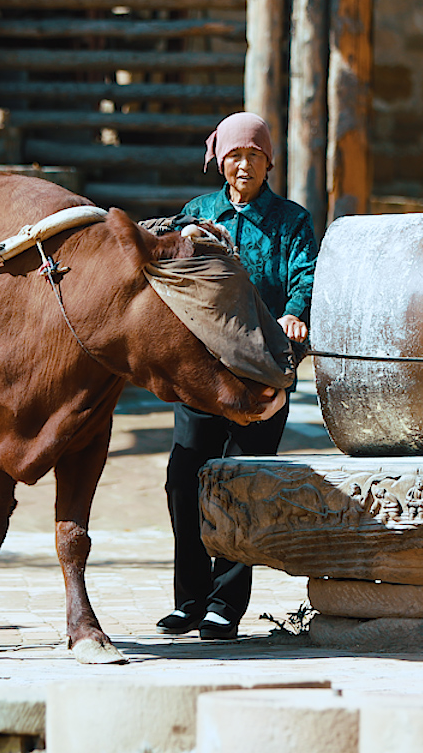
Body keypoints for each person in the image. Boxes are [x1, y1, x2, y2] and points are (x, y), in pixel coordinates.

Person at [161, 112, 318, 640]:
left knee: (240, 483)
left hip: (262, 377)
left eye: (254, 154)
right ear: (220, 161)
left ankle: (224, 605)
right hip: (202, 375)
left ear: (269, 161)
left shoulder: (291, 222)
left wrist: (296, 311)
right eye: (235, 155)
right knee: (184, 480)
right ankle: (189, 599)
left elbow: (305, 277)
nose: (244, 164)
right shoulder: (198, 214)